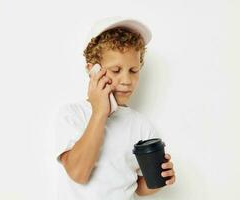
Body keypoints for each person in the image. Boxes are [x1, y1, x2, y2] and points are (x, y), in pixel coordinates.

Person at [54, 16, 176, 200]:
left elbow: (138, 188)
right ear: (92, 70)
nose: (127, 81)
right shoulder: (72, 115)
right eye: (116, 70)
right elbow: (78, 173)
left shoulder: (141, 126)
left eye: (134, 71)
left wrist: (160, 180)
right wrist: (100, 113)